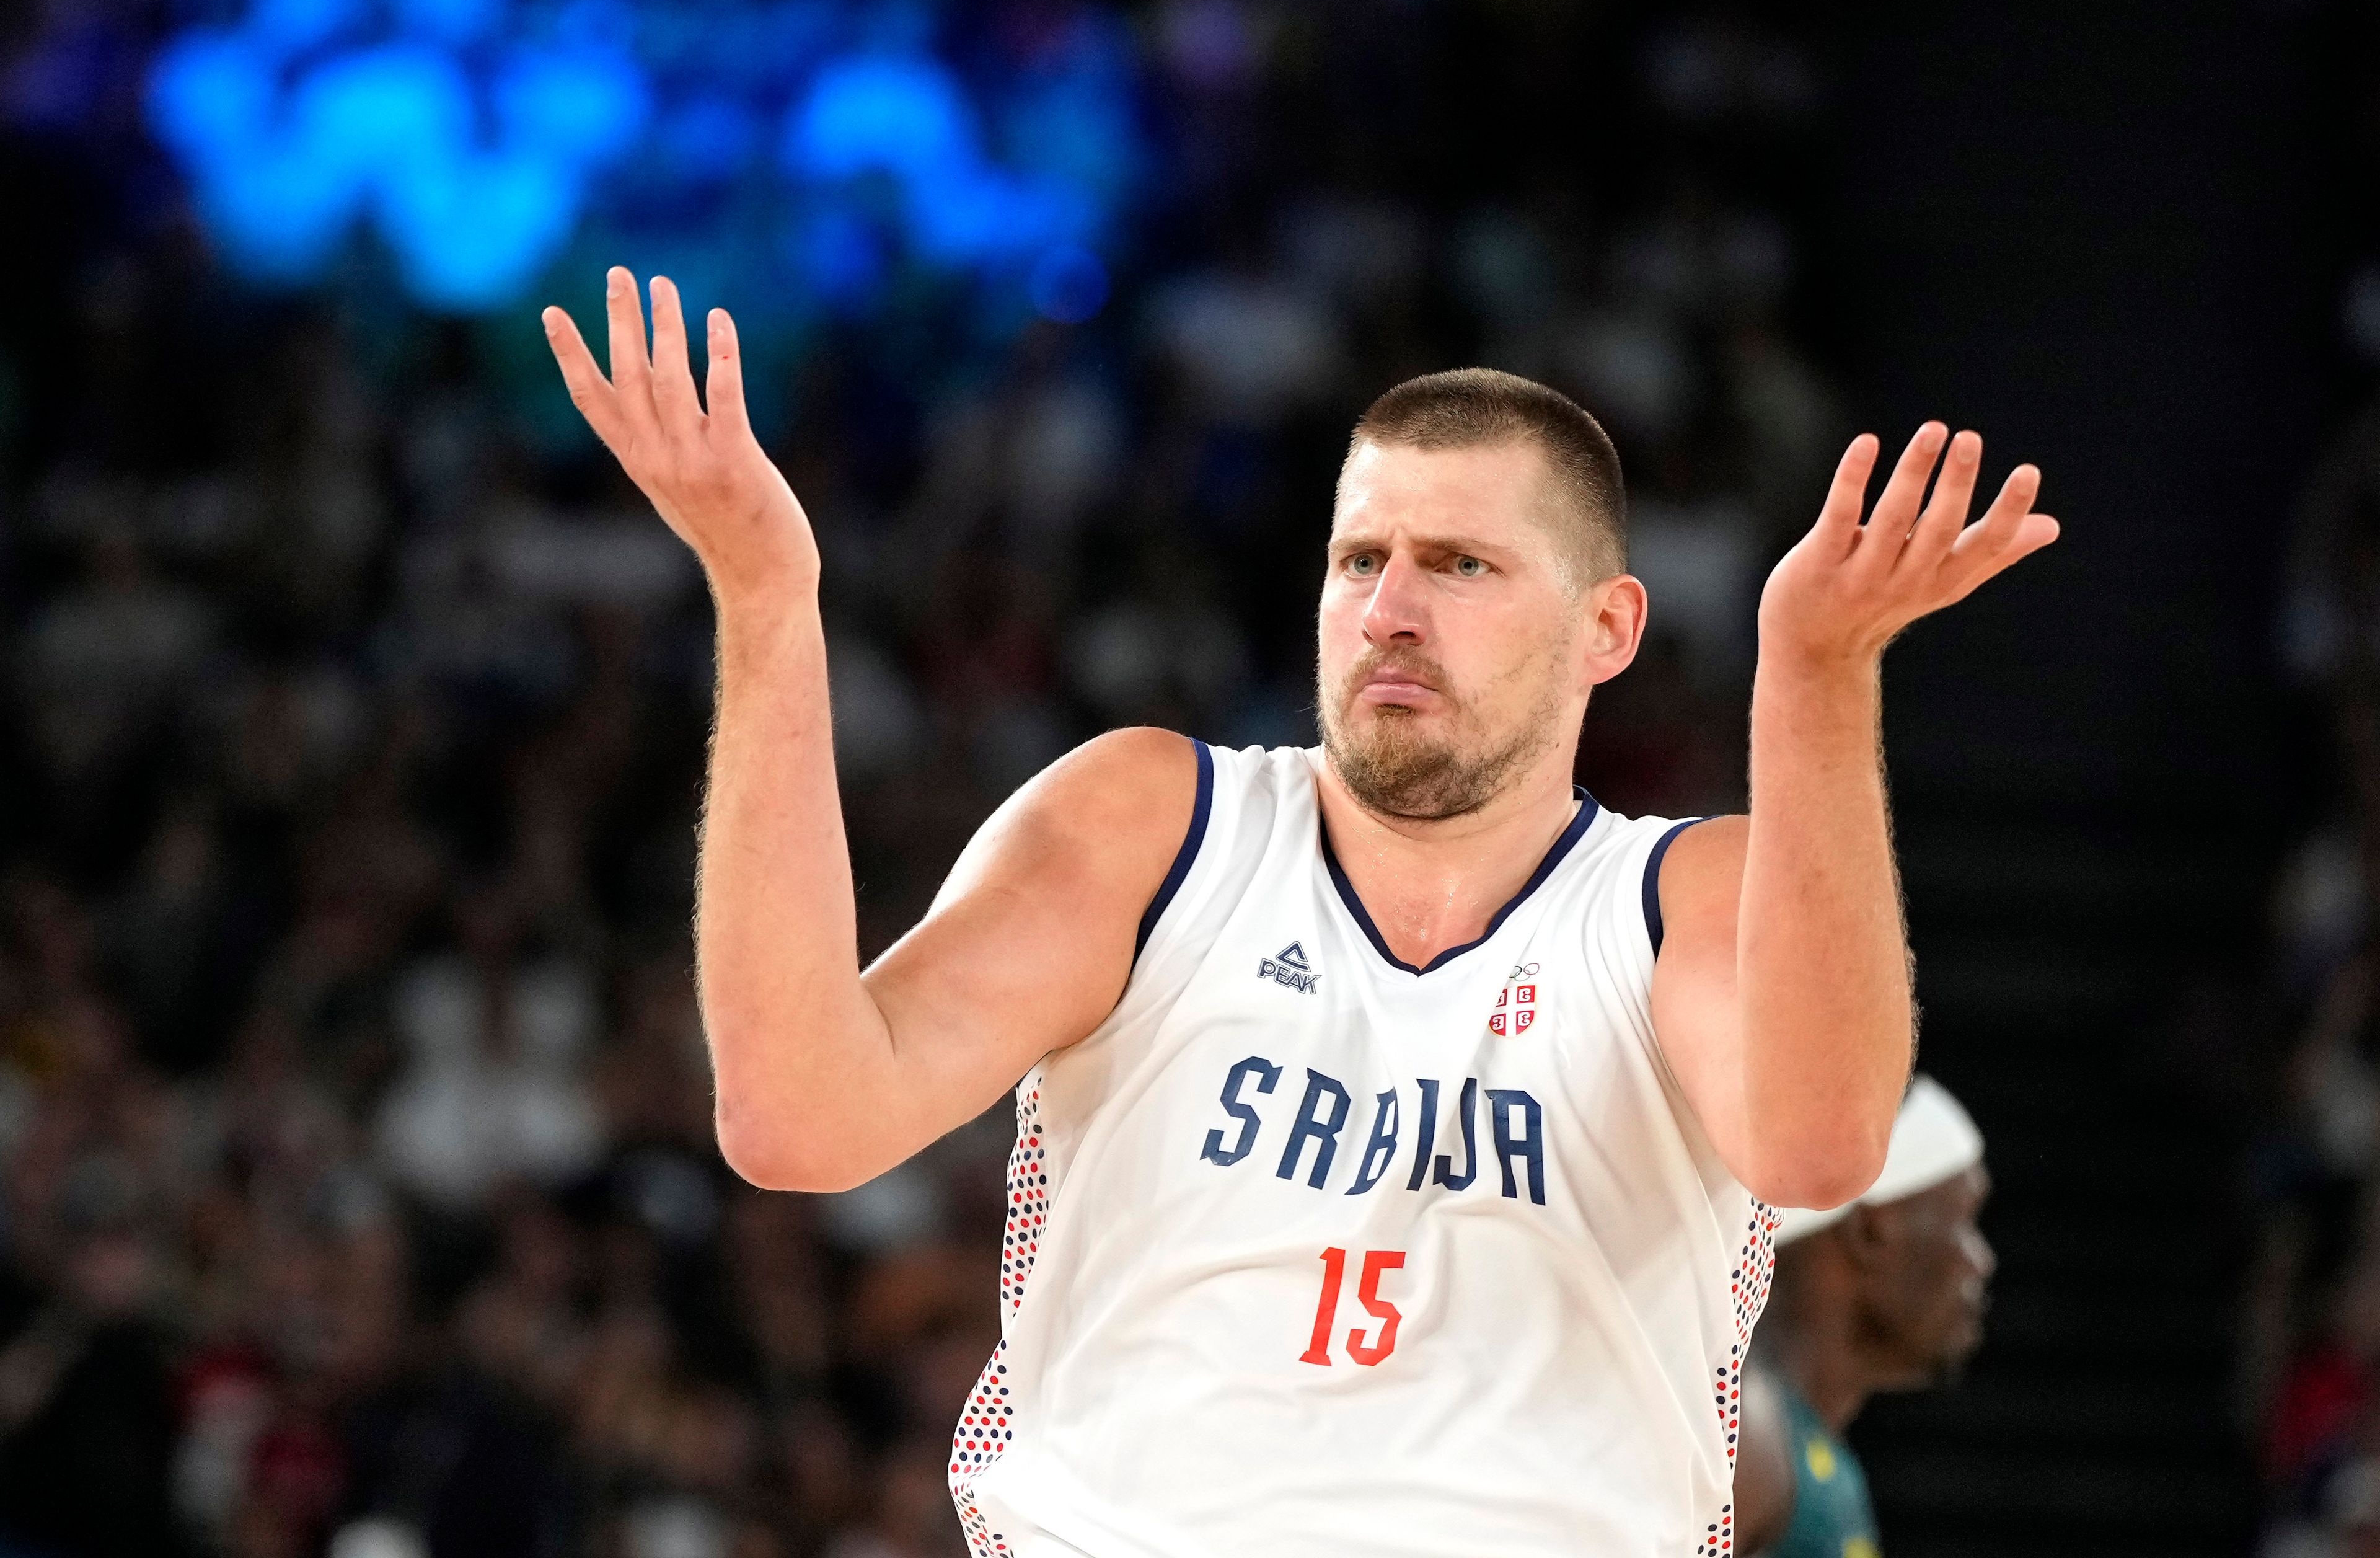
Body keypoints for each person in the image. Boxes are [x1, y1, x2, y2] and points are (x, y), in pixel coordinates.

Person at [539, 269, 2058, 1558]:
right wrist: (761, 596)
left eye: (1459, 562)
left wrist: (1815, 673)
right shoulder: (1151, 823)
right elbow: (799, 1113)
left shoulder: (1676, 897)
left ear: (1606, 628)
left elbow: (1815, 1142)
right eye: (1359, 558)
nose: (1390, 604)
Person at [1733, 1076, 1995, 1558]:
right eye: (1964, 1221)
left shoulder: (1799, 1447)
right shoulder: (1742, 1431)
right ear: (1870, 1232)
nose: (1981, 1262)